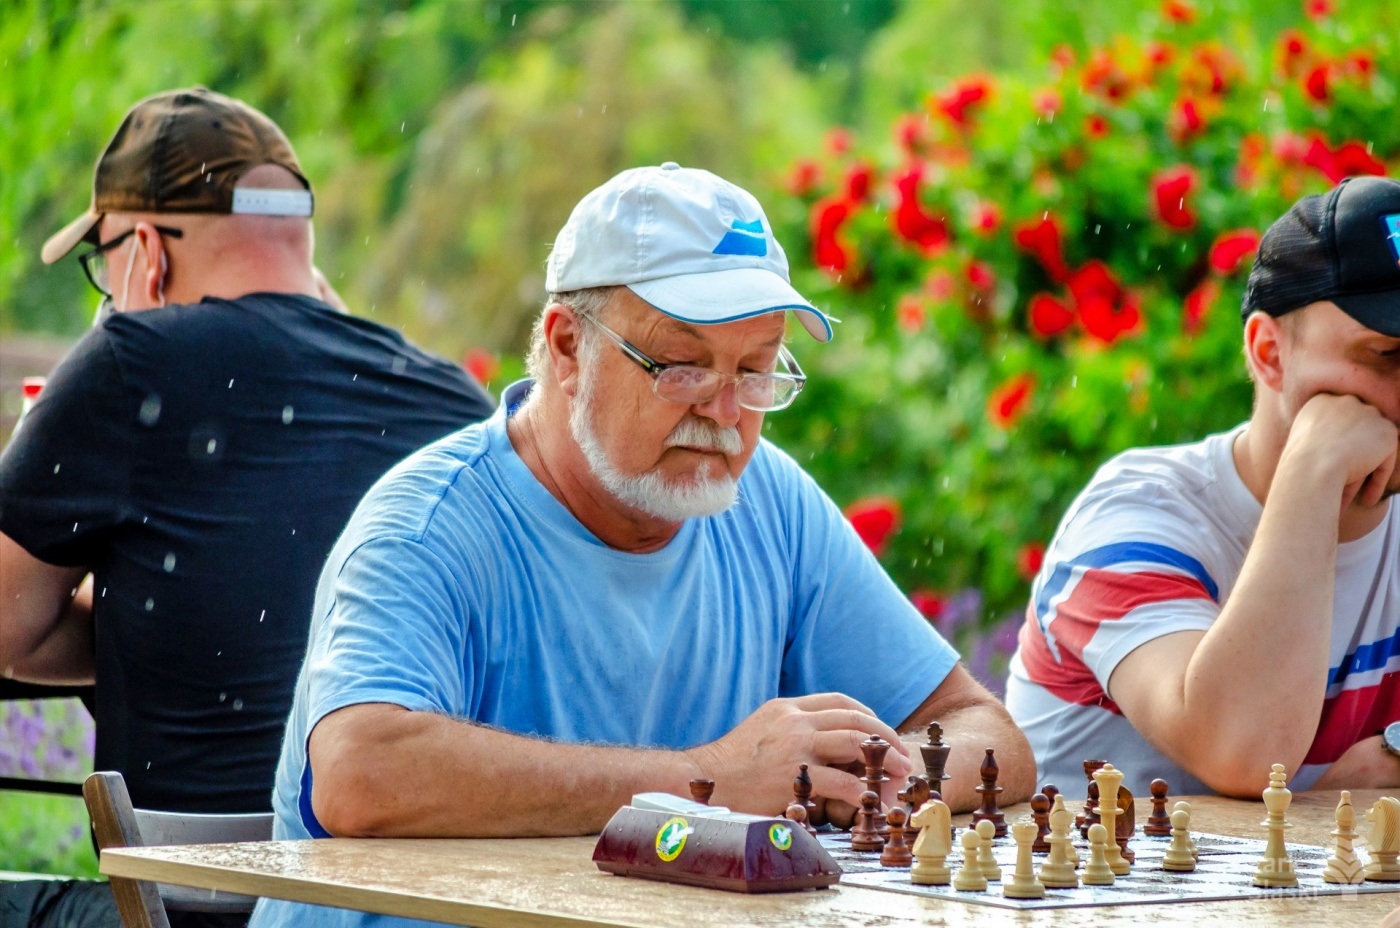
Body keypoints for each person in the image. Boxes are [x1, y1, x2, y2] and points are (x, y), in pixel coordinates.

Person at [250, 162, 1032, 927]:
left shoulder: (772, 503)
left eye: (757, 371)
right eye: (683, 366)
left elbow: (983, 731)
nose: (726, 412)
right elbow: (360, 772)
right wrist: (711, 784)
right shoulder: (429, 528)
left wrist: (872, 779)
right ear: (565, 349)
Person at [0, 87, 494, 928]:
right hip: (400, 907)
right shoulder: (452, 401)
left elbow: (8, 625)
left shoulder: (131, 362)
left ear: (145, 252)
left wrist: (137, 613)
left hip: (193, 907)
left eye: (102, 261)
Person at [1006, 176, 1400, 799]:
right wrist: (1311, 471)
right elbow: (1244, 751)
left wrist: (1390, 754)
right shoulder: (1134, 516)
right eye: (1385, 354)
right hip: (1087, 892)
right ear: (1269, 354)